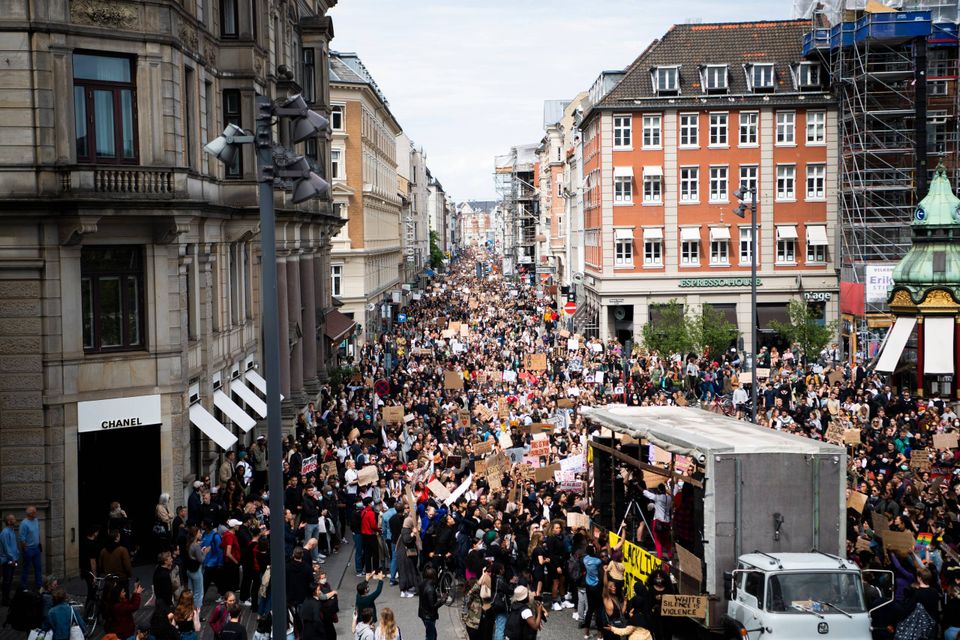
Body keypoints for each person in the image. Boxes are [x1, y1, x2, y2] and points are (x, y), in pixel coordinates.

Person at [19, 505, 41, 590]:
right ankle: (23, 587)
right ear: (29, 513)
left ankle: (39, 586)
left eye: (35, 511)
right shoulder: (24, 523)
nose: (36, 513)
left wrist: (39, 543)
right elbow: (22, 538)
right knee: (26, 569)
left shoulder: (36, 520)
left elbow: (37, 533)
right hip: (29, 549)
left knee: (38, 568)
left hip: (37, 549)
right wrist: (25, 549)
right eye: (34, 512)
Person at [418, 566, 440, 640]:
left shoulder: (422, 584)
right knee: (430, 636)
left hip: (423, 614)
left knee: (433, 634)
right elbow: (433, 606)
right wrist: (442, 601)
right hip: (429, 617)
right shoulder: (430, 589)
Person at [0, 514, 18, 605]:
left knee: (10, 579)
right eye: (13, 519)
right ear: (9, 521)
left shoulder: (12, 530)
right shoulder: (5, 532)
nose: (15, 520)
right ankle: (5, 600)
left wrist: (16, 555)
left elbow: (13, 545)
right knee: (7, 580)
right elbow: (7, 548)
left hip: (14, 559)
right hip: (8, 560)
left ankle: (7, 598)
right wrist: (12, 559)